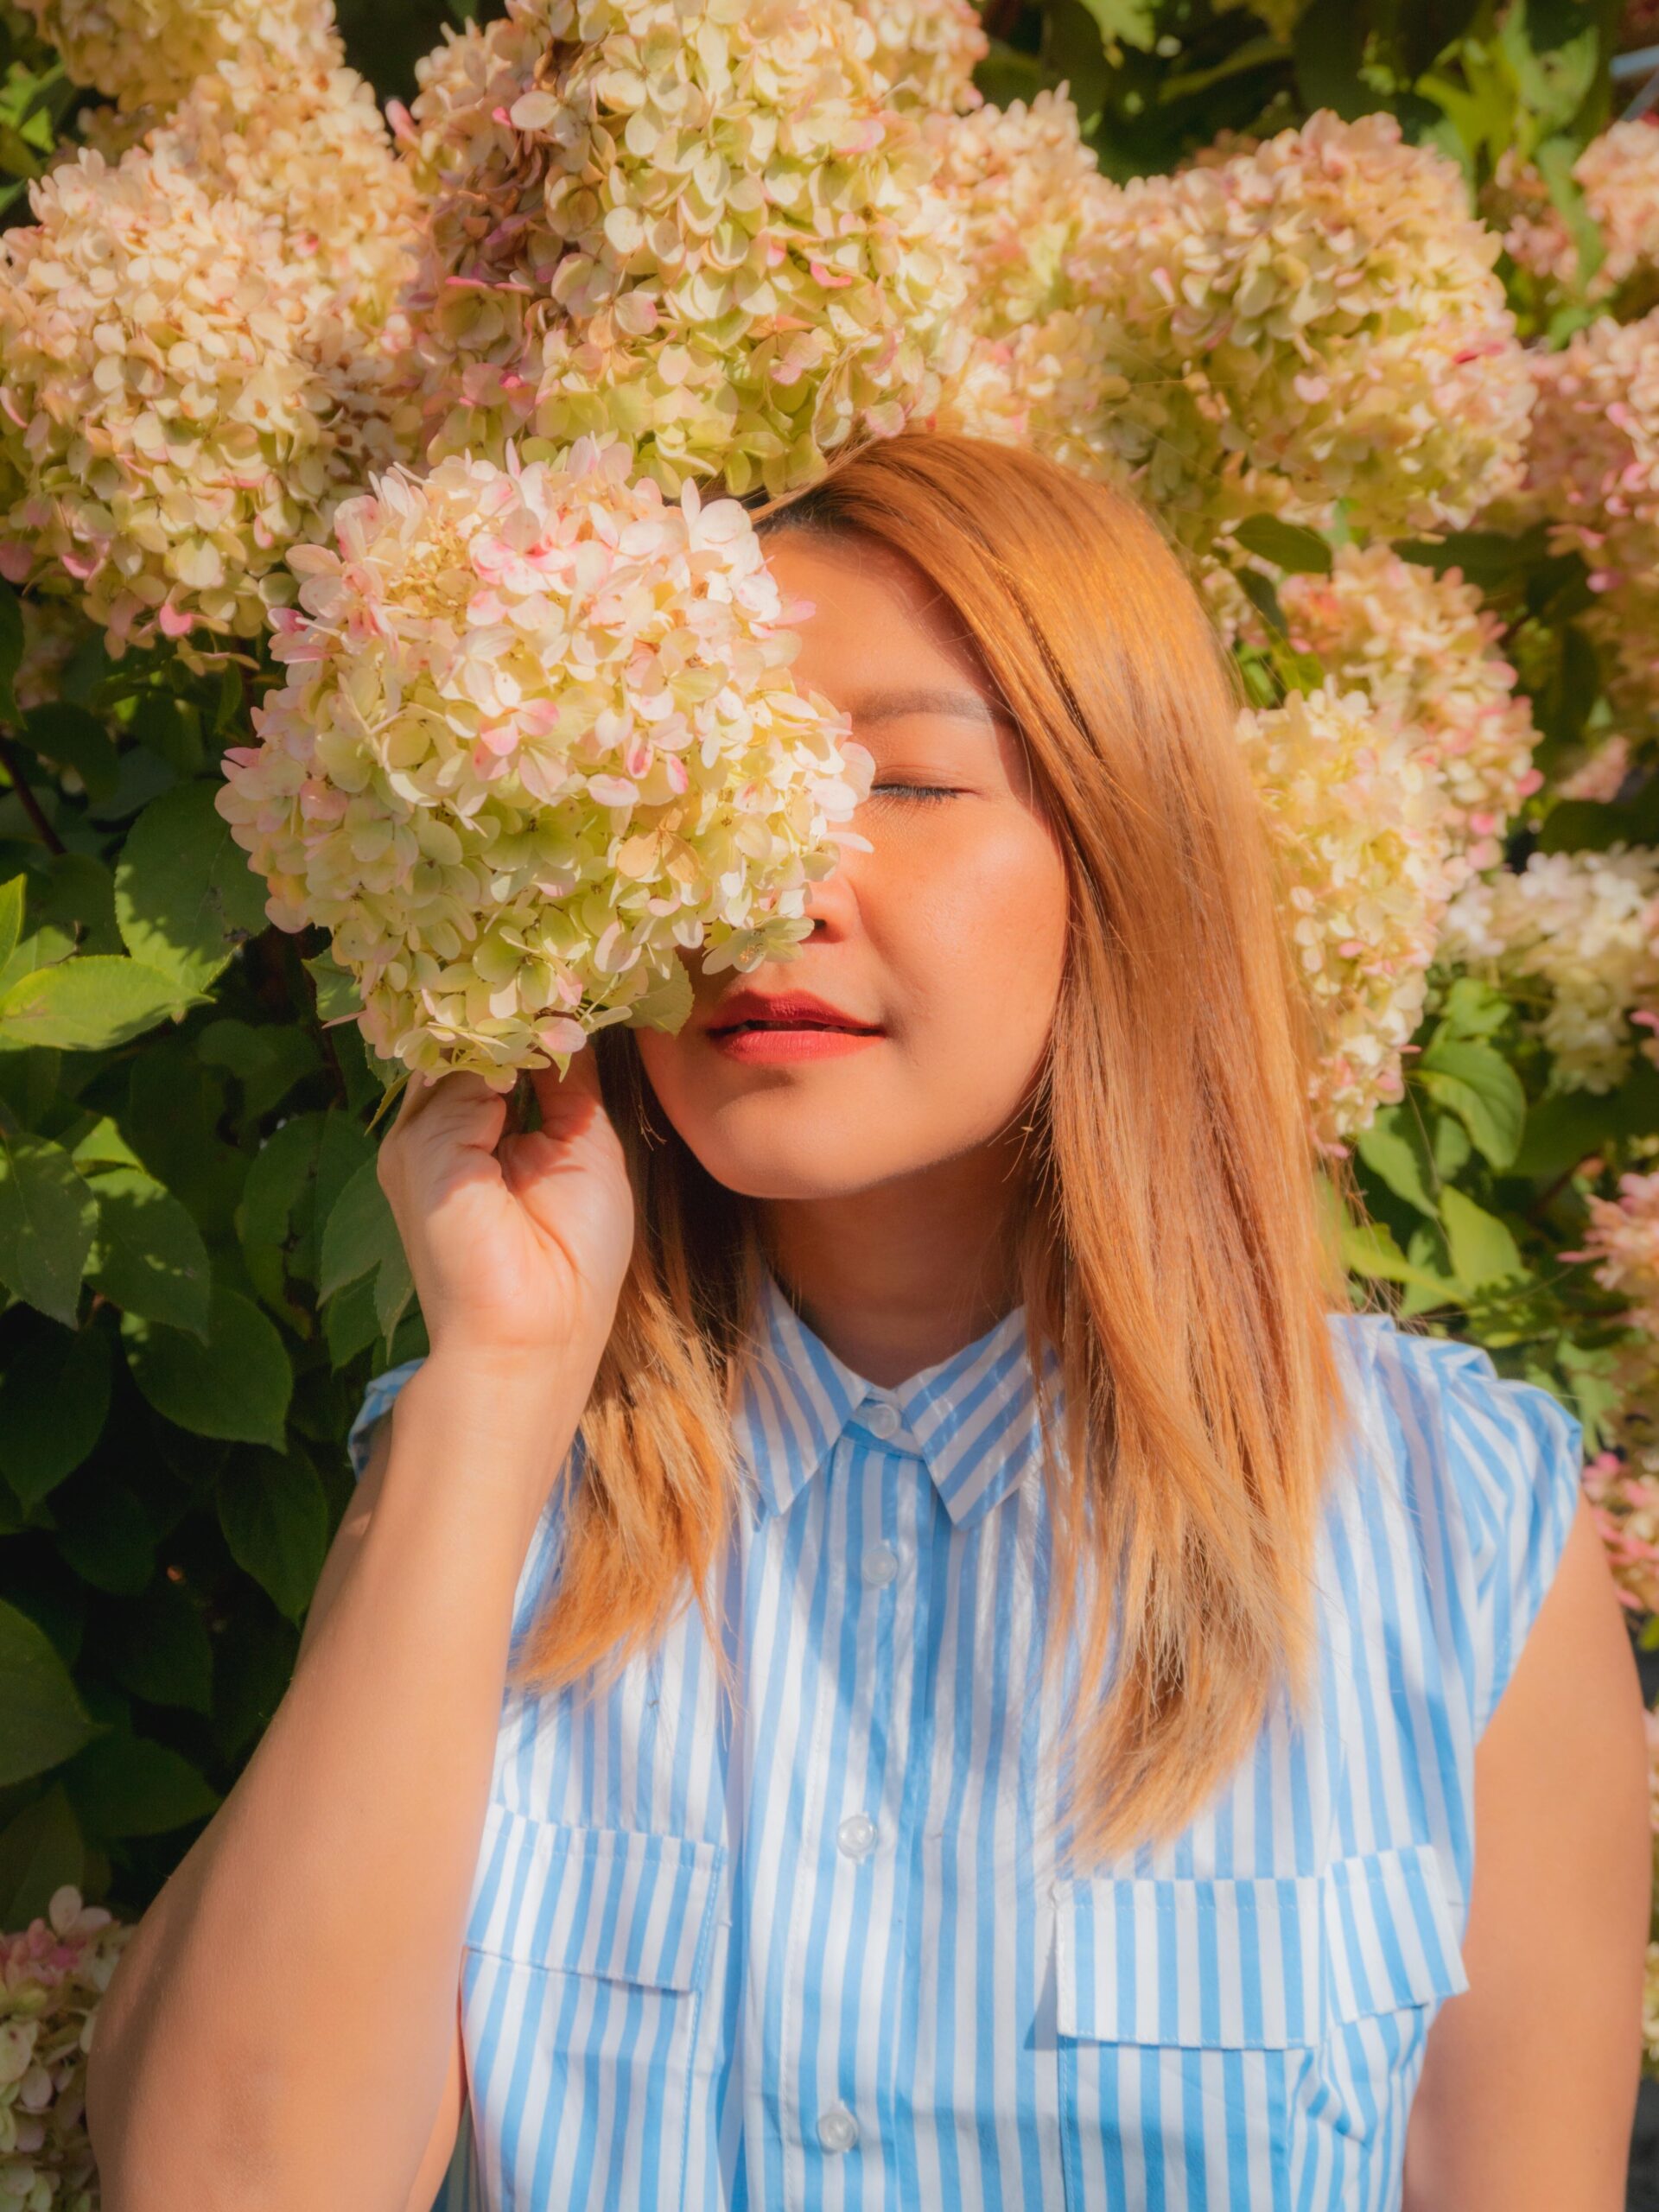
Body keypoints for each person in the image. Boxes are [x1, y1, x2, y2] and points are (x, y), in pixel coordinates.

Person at [86, 432, 1647, 2212]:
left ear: (1127, 852)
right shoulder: (489, 1475)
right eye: (701, 797)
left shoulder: (1459, 1527)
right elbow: (223, 2181)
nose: (774, 886)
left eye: (905, 783)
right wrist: (501, 1385)